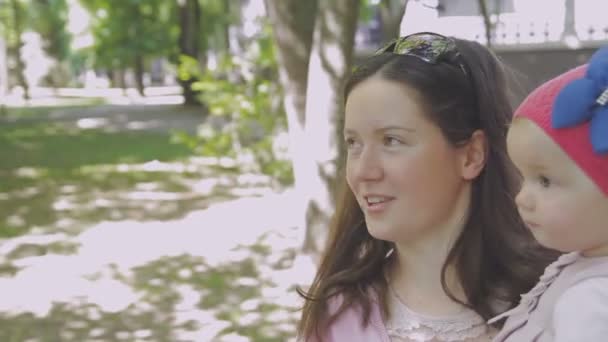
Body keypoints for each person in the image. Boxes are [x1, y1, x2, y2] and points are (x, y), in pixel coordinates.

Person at [296, 32, 559, 342]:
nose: (362, 171)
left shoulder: (560, 302)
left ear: (472, 155)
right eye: (353, 143)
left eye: (391, 141)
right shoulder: (337, 316)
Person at [489, 46, 608, 341]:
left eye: (544, 181)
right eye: (524, 177)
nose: (522, 198)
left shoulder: (591, 300)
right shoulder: (584, 269)